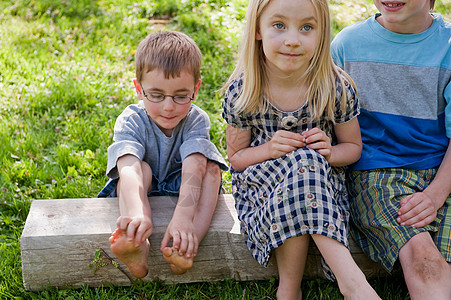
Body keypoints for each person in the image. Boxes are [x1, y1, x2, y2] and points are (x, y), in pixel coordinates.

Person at [221, 0, 380, 299]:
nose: (292, 40)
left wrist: (332, 153)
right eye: (279, 25)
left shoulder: (334, 86)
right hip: (262, 193)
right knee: (302, 165)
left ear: (322, 34)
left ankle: (289, 292)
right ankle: (354, 285)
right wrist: (269, 149)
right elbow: (237, 160)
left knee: (306, 162)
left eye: (306, 27)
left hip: (322, 190)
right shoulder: (244, 91)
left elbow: (353, 148)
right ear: (258, 29)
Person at [331, 0, 451, 299]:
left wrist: (436, 194)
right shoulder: (347, 44)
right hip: (378, 173)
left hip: (443, 169)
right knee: (426, 262)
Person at [98, 31, 228, 278]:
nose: (169, 107)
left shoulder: (195, 119)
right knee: (140, 169)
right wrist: (137, 211)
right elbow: (128, 168)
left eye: (181, 96)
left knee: (211, 170)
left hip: (182, 187)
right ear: (139, 89)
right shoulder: (131, 119)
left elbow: (195, 165)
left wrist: (182, 216)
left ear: (195, 89)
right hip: (141, 187)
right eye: (157, 95)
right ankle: (138, 242)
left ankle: (186, 244)